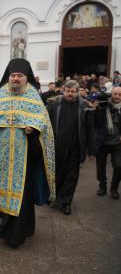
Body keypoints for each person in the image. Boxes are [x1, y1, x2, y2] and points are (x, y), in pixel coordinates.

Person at [0, 58, 55, 247]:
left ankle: (17, 232)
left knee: (22, 193)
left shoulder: (33, 97)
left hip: (25, 155)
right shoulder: (1, 94)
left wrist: (33, 131)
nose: (16, 79)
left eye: (20, 75)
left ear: (26, 78)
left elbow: (44, 126)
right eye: (13, 75)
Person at [48, 80, 96, 214]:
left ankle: (66, 202)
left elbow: (90, 130)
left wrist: (91, 151)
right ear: (63, 91)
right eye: (67, 91)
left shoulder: (85, 106)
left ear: (77, 92)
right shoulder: (54, 104)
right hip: (57, 146)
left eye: (73, 92)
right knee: (57, 173)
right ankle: (55, 197)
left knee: (71, 176)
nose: (70, 94)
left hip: (75, 147)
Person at [94, 86, 121, 199]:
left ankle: (114, 188)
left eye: (120, 94)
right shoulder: (103, 105)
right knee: (100, 166)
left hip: (117, 143)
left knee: (119, 166)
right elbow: (95, 97)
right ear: (111, 94)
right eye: (115, 94)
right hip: (102, 142)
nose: (117, 97)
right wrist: (104, 97)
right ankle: (102, 186)